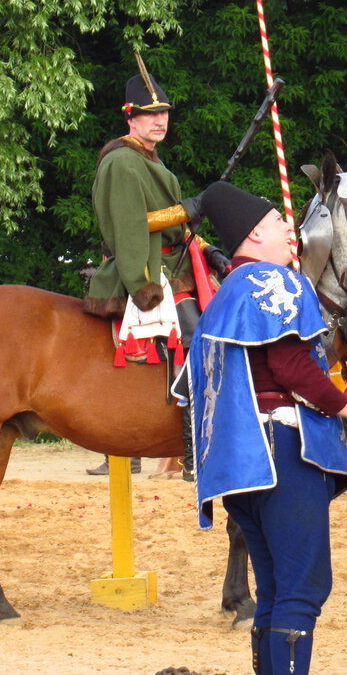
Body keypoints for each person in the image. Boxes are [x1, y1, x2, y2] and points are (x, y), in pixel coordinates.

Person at [188, 181, 347, 675]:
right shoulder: (279, 283)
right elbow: (292, 365)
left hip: (241, 468)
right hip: (284, 453)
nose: (290, 230)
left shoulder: (225, 292)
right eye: (278, 222)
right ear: (253, 236)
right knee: (302, 589)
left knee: (274, 589)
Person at [83, 66, 196, 476]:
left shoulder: (148, 161)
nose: (160, 120)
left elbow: (167, 221)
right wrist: (142, 285)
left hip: (172, 260)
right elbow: (131, 226)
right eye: (150, 114)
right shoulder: (123, 163)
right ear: (131, 119)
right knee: (195, 331)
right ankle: (190, 444)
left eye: (163, 112)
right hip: (146, 268)